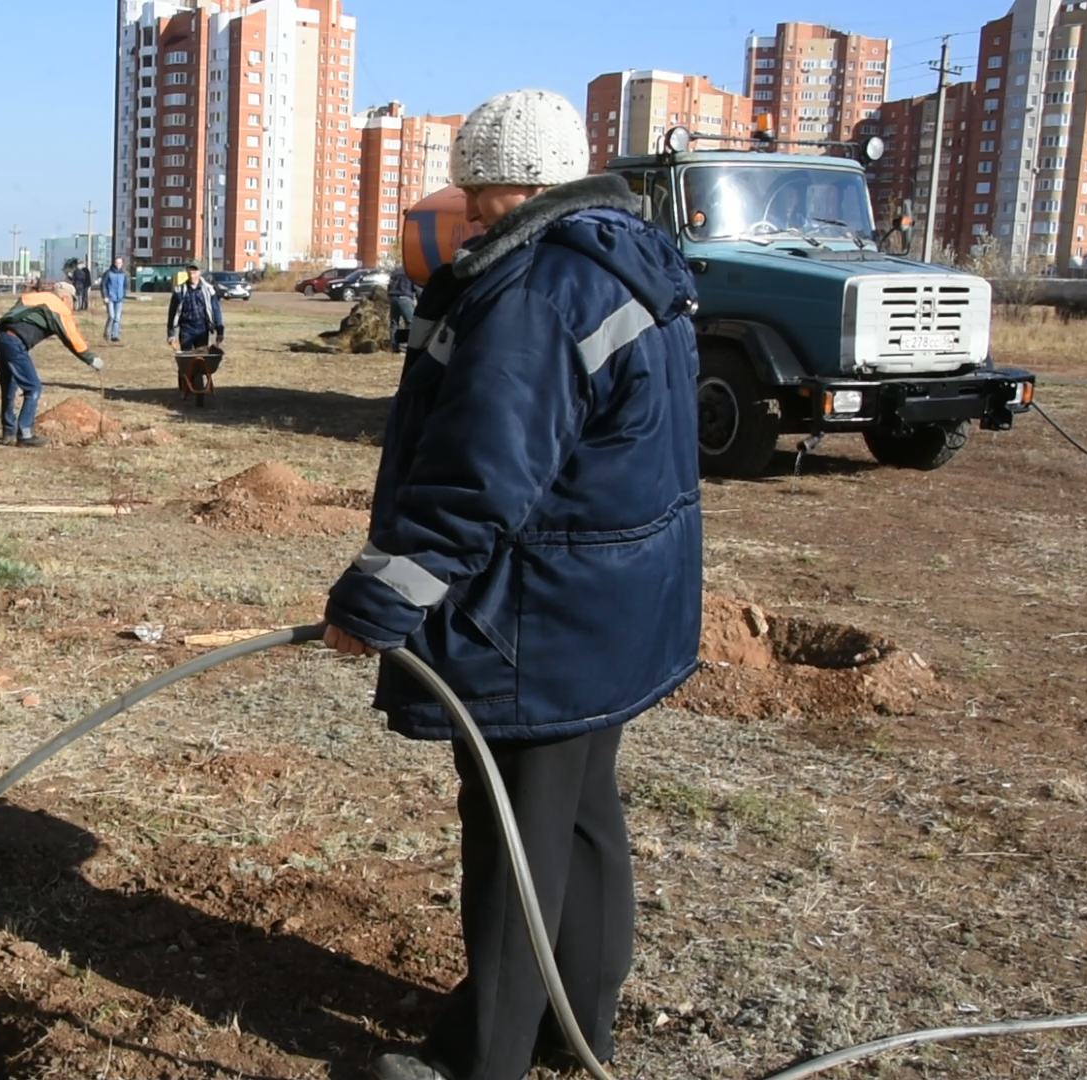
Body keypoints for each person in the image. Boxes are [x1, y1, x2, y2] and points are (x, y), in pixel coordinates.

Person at [321, 89, 703, 1080]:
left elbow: (478, 480)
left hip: (537, 623)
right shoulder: (627, 257)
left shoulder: (535, 290)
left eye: (480, 185)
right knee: (579, 824)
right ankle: (580, 1030)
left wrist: (377, 600)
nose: (468, 205)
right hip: (611, 611)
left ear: (521, 181)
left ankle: (481, 1063)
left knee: (514, 846)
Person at [0, 280, 104, 446]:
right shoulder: (57, 306)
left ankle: (9, 432)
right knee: (33, 388)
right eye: (73, 299)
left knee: (9, 385)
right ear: (65, 298)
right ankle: (25, 435)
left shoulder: (36, 298)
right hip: (15, 342)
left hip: (1, 337)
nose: (73, 304)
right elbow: (71, 338)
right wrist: (91, 359)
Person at [165, 262, 224, 355]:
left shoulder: (208, 290)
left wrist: (220, 331)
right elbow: (172, 313)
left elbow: (216, 310)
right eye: (190, 272)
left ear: (199, 272)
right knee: (187, 358)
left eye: (194, 272)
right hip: (186, 329)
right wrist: (171, 334)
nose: (192, 275)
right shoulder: (179, 290)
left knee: (201, 358)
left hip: (202, 329)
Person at [100, 256, 130, 342]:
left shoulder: (124, 274)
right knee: (111, 316)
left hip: (119, 298)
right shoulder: (108, 273)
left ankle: (115, 335)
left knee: (117, 318)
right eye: (117, 262)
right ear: (114, 263)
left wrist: (124, 295)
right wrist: (105, 296)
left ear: (122, 264)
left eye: (120, 263)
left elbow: (125, 285)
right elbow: (103, 285)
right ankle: (107, 332)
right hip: (110, 298)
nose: (118, 264)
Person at [387, 267, 417, 349]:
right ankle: (408, 345)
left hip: (393, 297)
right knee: (411, 322)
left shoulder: (395, 271)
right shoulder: (410, 271)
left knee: (394, 322)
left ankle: (394, 346)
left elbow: (389, 285)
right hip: (404, 297)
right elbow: (416, 288)